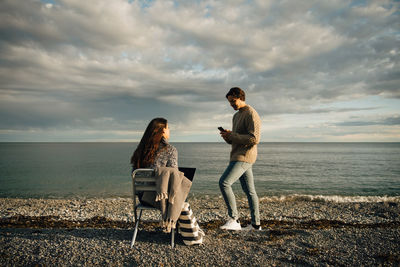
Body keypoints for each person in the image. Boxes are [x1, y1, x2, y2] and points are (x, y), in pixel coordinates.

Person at [130, 118, 204, 245]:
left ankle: (191, 230)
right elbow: (173, 175)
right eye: (168, 128)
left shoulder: (139, 150)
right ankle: (193, 233)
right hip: (161, 199)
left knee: (178, 194)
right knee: (179, 195)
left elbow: (134, 174)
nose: (170, 130)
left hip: (143, 197)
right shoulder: (170, 150)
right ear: (163, 131)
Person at [219, 87, 261, 231]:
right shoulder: (236, 116)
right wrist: (227, 137)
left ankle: (234, 219)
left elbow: (254, 139)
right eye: (230, 102)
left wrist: (233, 136)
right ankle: (256, 225)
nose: (231, 105)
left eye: (233, 101)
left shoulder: (251, 113)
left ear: (241, 97)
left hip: (245, 156)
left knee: (224, 183)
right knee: (250, 191)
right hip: (237, 154)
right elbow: (234, 140)